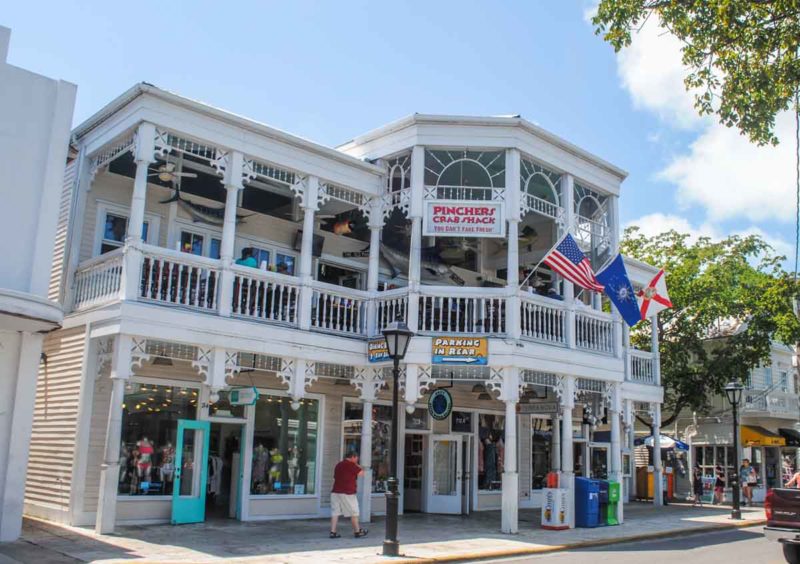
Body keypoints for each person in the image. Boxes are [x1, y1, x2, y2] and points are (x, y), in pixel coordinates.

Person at [330, 450, 367, 539]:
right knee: (354, 512)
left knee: (335, 512)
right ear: (353, 457)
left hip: (335, 491)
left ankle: (333, 532)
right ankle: (357, 531)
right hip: (348, 492)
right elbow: (362, 473)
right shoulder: (351, 465)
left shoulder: (338, 464)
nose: (357, 459)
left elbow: (335, 477)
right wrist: (357, 465)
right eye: (356, 458)